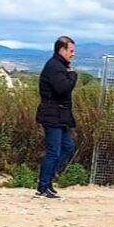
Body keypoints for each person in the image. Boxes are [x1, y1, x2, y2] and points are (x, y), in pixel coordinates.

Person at [35, 36, 77, 199]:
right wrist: (73, 76)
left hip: (60, 117)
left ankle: (48, 180)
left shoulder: (59, 66)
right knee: (53, 151)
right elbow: (62, 88)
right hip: (52, 115)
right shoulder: (55, 67)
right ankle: (42, 186)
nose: (73, 54)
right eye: (71, 51)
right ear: (62, 50)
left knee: (68, 147)